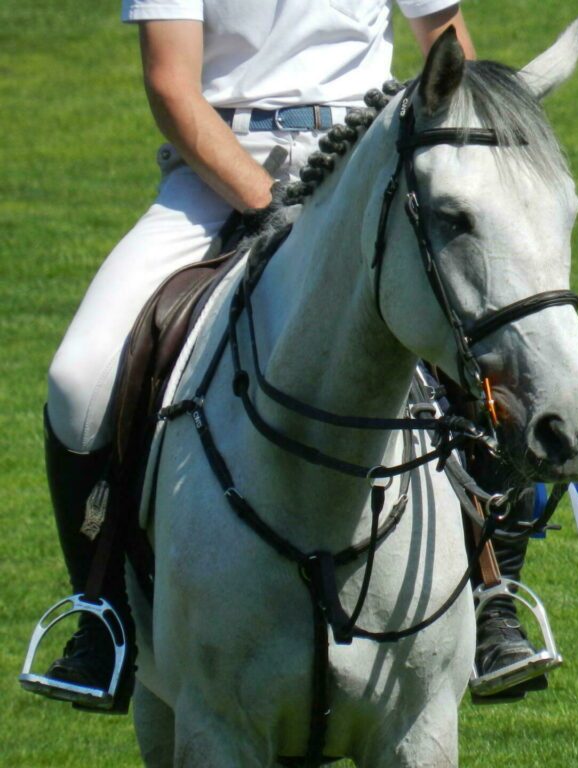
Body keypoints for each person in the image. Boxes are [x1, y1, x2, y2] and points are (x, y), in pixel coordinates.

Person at [29, 0, 550, 711]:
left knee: (488, 350)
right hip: (215, 173)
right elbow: (172, 87)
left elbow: (446, 43)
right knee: (79, 377)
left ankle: (494, 600)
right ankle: (102, 614)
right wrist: (273, 201)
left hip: (371, 161)